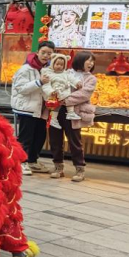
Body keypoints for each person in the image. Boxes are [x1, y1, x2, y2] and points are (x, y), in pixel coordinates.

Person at [48, 51, 97, 182]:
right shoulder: (66, 72)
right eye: (88, 60)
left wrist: (64, 100)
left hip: (73, 112)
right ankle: (58, 167)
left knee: (74, 141)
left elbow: (84, 94)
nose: (91, 63)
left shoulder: (91, 79)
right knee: (55, 139)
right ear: (80, 60)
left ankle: (80, 169)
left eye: (92, 61)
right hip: (57, 111)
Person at [11, 40, 56, 175]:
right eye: (43, 52)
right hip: (27, 109)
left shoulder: (48, 70)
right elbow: (20, 88)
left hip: (42, 109)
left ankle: (32, 161)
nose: (46, 56)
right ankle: (21, 163)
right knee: (26, 137)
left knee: (39, 137)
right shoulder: (26, 69)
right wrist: (39, 82)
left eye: (49, 53)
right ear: (37, 52)